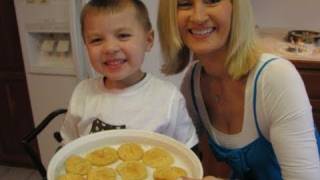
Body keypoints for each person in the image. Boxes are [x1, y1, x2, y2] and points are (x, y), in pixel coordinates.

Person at [158, 0, 320, 179]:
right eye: (184, 4)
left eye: (212, 1)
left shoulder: (275, 77)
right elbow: (173, 155)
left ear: (236, 8)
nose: (198, 16)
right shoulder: (193, 82)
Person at [59, 0, 198, 150]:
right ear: (86, 46)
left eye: (123, 35)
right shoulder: (82, 93)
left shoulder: (168, 98)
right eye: (96, 40)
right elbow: (68, 147)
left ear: (148, 40)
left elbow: (188, 151)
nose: (110, 48)